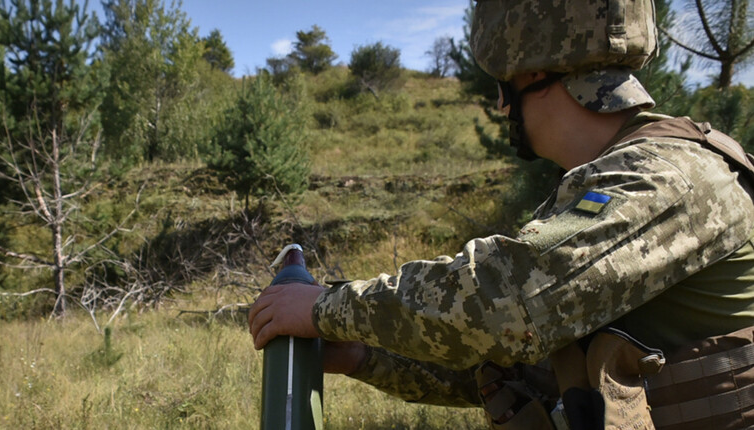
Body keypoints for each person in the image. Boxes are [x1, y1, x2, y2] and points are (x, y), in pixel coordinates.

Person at [249, 1, 754, 428]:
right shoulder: (609, 181)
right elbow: (522, 361)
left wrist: (324, 308)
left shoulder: (667, 174)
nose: (499, 106)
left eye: (501, 86)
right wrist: (363, 355)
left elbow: (506, 303)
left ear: (534, 75)